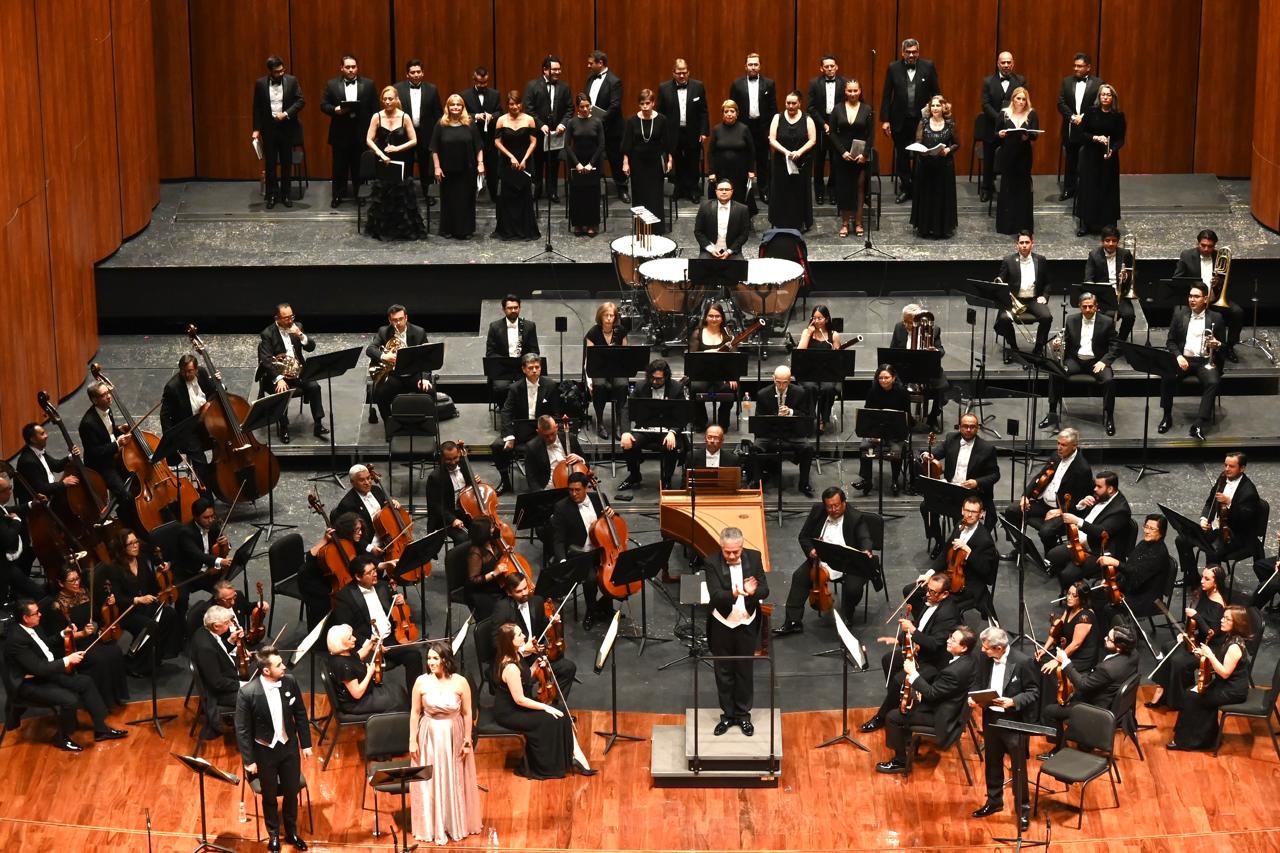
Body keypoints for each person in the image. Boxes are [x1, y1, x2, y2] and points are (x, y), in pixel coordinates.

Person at [4, 599, 128, 751]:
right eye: (36, 613)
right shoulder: (16, 640)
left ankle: (101, 729)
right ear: (25, 618)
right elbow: (38, 668)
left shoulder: (33, 626)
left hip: (44, 674)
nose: (40, 614)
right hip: (27, 684)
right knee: (70, 699)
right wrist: (68, 659)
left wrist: (63, 633)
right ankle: (61, 737)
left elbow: (45, 644)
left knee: (85, 682)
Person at [234, 645, 312, 851]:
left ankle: (292, 831)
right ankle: (274, 834)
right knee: (269, 795)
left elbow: (300, 714)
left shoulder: (290, 682)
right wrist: (249, 760)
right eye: (279, 665)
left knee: (291, 791)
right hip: (264, 752)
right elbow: (242, 729)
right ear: (266, 670)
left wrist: (306, 744)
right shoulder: (247, 693)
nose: (284, 666)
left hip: (288, 748)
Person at [862, 571, 961, 732]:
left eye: (932, 592)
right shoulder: (930, 601)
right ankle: (895, 700)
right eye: (928, 589)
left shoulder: (948, 614)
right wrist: (900, 640)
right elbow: (922, 624)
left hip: (934, 661)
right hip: (921, 651)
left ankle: (882, 717)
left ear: (945, 594)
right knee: (888, 659)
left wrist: (913, 631)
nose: (927, 594)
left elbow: (935, 644)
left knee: (898, 680)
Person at [773, 486, 876, 635]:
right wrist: (811, 550)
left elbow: (864, 537)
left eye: (836, 505)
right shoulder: (818, 510)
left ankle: (848, 616)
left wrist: (866, 549)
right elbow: (804, 536)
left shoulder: (855, 517)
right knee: (799, 577)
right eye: (829, 507)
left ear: (844, 503)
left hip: (849, 562)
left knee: (852, 588)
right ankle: (793, 621)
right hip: (822, 559)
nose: (833, 510)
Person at [875, 626, 977, 774]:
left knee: (892, 717)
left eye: (953, 640)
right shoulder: (971, 659)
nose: (948, 641)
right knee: (907, 701)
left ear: (964, 647)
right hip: (951, 706)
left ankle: (900, 761)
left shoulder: (954, 672)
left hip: (943, 717)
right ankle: (907, 741)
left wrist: (913, 673)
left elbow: (931, 693)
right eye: (950, 637)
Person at [409, 642, 482, 844]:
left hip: (453, 734)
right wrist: (412, 739)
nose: (431, 662)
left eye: (435, 658)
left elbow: (467, 713)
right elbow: (415, 712)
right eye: (429, 658)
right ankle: (431, 825)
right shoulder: (421, 682)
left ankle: (452, 822)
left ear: (445, 660)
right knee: (429, 780)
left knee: (453, 777)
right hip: (429, 735)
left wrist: (467, 739)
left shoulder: (460, 682)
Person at [491, 623, 584, 778]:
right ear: (510, 641)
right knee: (551, 718)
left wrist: (536, 665)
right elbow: (520, 700)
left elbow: (526, 676)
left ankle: (572, 757)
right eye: (519, 635)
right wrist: (545, 707)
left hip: (519, 705)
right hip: (510, 713)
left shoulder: (516, 654)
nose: (524, 636)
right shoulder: (510, 668)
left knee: (561, 711)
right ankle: (548, 766)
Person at [969, 626, 1039, 830]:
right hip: (991, 719)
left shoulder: (1023, 662)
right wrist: (973, 697)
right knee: (992, 762)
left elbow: (1034, 691)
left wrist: (1013, 701)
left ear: (998, 648)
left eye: (986, 648)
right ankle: (994, 801)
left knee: (1018, 768)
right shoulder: (984, 658)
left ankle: (1022, 810)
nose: (983, 651)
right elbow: (977, 682)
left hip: (1013, 722)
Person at [705, 527, 769, 736]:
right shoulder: (711, 561)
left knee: (744, 670)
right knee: (723, 671)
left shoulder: (754, 557)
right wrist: (737, 592)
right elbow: (715, 595)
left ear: (742, 546)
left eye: (736, 551)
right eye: (727, 552)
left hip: (746, 622)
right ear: (721, 547)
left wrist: (753, 592)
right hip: (722, 623)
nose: (732, 556)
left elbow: (765, 590)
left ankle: (743, 715)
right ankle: (727, 715)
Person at [1039, 623, 1138, 756]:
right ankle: (1085, 742)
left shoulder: (1108, 669)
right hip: (1111, 700)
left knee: (1049, 711)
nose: (1105, 638)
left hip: (1096, 708)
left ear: (1119, 647)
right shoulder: (1134, 654)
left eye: (1109, 639)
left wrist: (1065, 661)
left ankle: (1059, 750)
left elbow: (1083, 685)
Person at [1168, 605, 1254, 751]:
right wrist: (1203, 655)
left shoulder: (1234, 647)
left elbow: (1225, 673)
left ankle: (1191, 742)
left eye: (1227, 619)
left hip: (1232, 691)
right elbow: (1221, 664)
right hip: (1225, 685)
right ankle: (1203, 738)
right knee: (1190, 693)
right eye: (1223, 617)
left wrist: (1210, 655)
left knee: (1191, 697)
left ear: (1237, 624)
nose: (1222, 620)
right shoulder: (1229, 637)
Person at [42, 566, 130, 709]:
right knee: (101, 659)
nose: (77, 582)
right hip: (74, 645)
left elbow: (97, 615)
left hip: (91, 638)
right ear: (61, 583)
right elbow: (59, 636)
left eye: (77, 578)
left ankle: (115, 697)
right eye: (72, 580)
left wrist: (108, 605)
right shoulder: (56, 605)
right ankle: (101, 700)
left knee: (115, 651)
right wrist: (82, 633)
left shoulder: (85, 593)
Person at [1001, 428, 1093, 557]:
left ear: (1074, 446)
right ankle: (1022, 547)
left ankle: (1051, 559)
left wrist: (1059, 511)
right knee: (1011, 511)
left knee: (1046, 532)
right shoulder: (1056, 456)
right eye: (1058, 443)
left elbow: (1081, 502)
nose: (1059, 448)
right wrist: (1025, 496)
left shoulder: (1082, 469)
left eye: (1064, 445)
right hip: (1044, 504)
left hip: (1064, 510)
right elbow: (1040, 476)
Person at [332, 554, 423, 686]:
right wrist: (370, 644)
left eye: (375, 570)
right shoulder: (345, 597)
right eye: (370, 572)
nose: (375, 574)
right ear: (358, 577)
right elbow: (346, 629)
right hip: (367, 643)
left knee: (414, 655)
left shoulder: (382, 586)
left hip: (390, 638)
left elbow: (395, 606)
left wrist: (399, 600)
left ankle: (414, 698)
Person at [1173, 452, 1262, 586]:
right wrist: (1204, 518)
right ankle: (1191, 576)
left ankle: (1214, 587)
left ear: (1242, 468)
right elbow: (1210, 502)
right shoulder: (1222, 478)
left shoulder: (1249, 492)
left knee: (1212, 551)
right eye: (1225, 465)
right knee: (1182, 540)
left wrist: (1230, 503)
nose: (1227, 469)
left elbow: (1246, 521)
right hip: (1215, 528)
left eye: (1231, 466)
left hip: (1234, 535)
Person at [1149, 564, 1228, 710]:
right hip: (1196, 640)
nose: (1202, 581)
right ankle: (1163, 690)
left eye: (1207, 579)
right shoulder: (1204, 594)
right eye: (1202, 577)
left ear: (1216, 583)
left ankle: (1177, 701)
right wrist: (1185, 633)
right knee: (1167, 646)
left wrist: (1196, 616)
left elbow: (1211, 633)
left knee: (1178, 661)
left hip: (1209, 647)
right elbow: (1194, 624)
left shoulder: (1218, 606)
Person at [98, 528, 184, 662]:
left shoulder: (142, 559)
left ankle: (160, 652)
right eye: (130, 543)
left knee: (169, 613)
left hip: (146, 605)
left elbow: (151, 585)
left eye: (136, 542)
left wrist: (161, 580)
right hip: (128, 612)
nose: (135, 546)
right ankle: (138, 662)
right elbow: (118, 598)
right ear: (122, 547)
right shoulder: (115, 569)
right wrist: (137, 600)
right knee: (149, 625)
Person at [919, 413, 1002, 548]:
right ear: (959, 427)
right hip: (951, 488)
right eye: (965, 426)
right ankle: (939, 542)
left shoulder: (987, 449)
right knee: (926, 506)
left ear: (977, 428)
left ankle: (963, 545)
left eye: (972, 427)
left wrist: (976, 482)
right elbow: (936, 453)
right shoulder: (951, 438)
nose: (968, 430)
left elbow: (995, 475)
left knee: (962, 514)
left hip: (972, 492)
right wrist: (927, 455)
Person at [1041, 291, 1119, 435]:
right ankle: (1052, 413)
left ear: (1096, 306)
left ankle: (1109, 417)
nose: (1088, 309)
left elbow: (1115, 345)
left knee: (1109, 380)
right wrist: (1058, 344)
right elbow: (1066, 341)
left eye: (1091, 306)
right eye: (1084, 307)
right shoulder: (1071, 320)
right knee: (1055, 373)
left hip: (1096, 362)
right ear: (1079, 307)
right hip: (1075, 361)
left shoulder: (1107, 322)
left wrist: (1104, 362)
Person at [490, 573, 577, 694]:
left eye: (525, 588)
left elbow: (541, 625)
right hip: (516, 659)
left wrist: (551, 621)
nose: (524, 593)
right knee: (526, 684)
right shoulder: (502, 609)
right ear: (509, 593)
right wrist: (522, 649)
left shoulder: (537, 601)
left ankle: (554, 703)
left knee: (568, 668)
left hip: (535, 653)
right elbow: (496, 642)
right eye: (519, 591)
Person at [1158, 283, 1225, 440]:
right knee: (1167, 375)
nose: (1192, 299)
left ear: (1205, 299)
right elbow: (1170, 341)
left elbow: (1225, 346)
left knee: (1213, 382)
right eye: (1190, 296)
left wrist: (1218, 344)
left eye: (1196, 296)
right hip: (1184, 359)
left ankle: (1198, 424)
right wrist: (1178, 356)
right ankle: (1167, 416)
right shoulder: (1179, 314)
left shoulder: (1216, 318)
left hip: (1205, 361)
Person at [551, 472, 618, 629]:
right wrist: (563, 560)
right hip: (582, 553)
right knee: (591, 579)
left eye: (577, 490)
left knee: (617, 573)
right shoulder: (561, 507)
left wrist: (613, 514)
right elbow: (558, 539)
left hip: (603, 551)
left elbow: (612, 523)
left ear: (586, 487)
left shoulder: (599, 498)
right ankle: (591, 611)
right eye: (570, 490)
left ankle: (606, 605)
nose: (573, 494)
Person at [1047, 472, 1133, 589]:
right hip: (1080, 542)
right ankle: (1067, 580)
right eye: (1095, 485)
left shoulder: (1121, 510)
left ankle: (1075, 594)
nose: (1094, 489)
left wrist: (1077, 521)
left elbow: (1101, 532)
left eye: (1099, 486)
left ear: (1110, 489)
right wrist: (1081, 505)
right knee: (1052, 555)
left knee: (1067, 574)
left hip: (1098, 551)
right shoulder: (1102, 496)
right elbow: (1089, 517)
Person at [881, 39, 941, 203]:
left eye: (914, 52)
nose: (911, 55)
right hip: (899, 119)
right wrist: (885, 120)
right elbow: (886, 95)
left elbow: (936, 93)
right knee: (902, 155)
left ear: (918, 52)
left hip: (922, 121)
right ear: (902, 53)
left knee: (921, 154)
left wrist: (938, 114)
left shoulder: (928, 66)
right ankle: (906, 188)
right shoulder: (893, 68)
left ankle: (917, 187)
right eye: (908, 52)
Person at [255, 302, 326, 443]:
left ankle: (318, 424)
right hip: (278, 375)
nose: (290, 320)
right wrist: (279, 378)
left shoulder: (297, 327)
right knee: (283, 392)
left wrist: (300, 335)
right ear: (277, 318)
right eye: (286, 318)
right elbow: (266, 360)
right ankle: (284, 427)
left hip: (298, 372)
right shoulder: (267, 334)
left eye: (292, 316)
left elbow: (311, 347)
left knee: (314, 387)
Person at [918, 496, 999, 619]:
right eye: (967, 510)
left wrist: (969, 553)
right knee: (910, 591)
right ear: (962, 510)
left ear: (981, 514)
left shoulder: (985, 540)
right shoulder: (960, 525)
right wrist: (929, 574)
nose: (969, 515)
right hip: (951, 576)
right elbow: (945, 553)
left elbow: (988, 575)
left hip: (968, 585)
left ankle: (940, 624)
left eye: (974, 512)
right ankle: (923, 624)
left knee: (939, 605)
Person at [365, 86, 427, 241]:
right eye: (384, 99)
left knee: (402, 193)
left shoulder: (404, 117)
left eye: (390, 99)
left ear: (396, 99)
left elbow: (414, 140)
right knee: (384, 193)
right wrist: (380, 153)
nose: (387, 102)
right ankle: (385, 229)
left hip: (402, 159)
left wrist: (397, 148)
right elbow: (369, 139)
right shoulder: (377, 117)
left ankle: (403, 229)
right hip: (383, 160)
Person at [1174, 229, 1244, 362]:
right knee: (1179, 313)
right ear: (1197, 243)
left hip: (1214, 300)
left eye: (1210, 246)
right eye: (1203, 245)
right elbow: (1178, 279)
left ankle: (1228, 347)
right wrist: (1195, 289)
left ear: (1215, 245)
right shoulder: (1186, 256)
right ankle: (1181, 347)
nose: (1206, 249)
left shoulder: (1219, 256)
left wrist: (1219, 283)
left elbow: (1229, 281)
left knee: (1237, 312)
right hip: (1195, 301)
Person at [493, 353, 560, 494]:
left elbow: (556, 413)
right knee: (497, 445)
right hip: (521, 430)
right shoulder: (515, 388)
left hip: (542, 431)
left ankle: (542, 482)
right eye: (530, 368)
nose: (534, 370)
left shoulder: (551, 385)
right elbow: (506, 412)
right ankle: (505, 481)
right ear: (524, 369)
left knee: (538, 445)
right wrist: (509, 436)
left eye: (537, 367)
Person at [619, 358, 686, 491]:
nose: (654, 381)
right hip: (646, 429)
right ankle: (634, 475)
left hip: (667, 430)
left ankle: (667, 479)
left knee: (671, 445)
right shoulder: (640, 386)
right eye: (652, 378)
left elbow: (682, 414)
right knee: (628, 444)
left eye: (659, 379)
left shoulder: (676, 388)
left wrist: (673, 432)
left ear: (666, 377)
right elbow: (626, 409)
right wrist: (626, 432)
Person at [320, 54, 377, 208]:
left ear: (357, 68)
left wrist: (374, 132)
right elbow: (323, 105)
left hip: (361, 132)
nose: (351, 70)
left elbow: (375, 109)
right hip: (340, 133)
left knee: (359, 167)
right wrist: (335, 109)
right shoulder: (332, 84)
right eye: (348, 67)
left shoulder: (369, 84)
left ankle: (360, 195)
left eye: (353, 67)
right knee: (339, 167)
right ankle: (337, 195)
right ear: (342, 68)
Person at [1036, 581, 1101, 715]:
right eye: (1068, 594)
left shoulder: (1085, 616)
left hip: (1082, 657)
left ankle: (1048, 708)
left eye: (1074, 596)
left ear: (1082, 598)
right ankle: (1038, 697)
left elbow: (1076, 644)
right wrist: (1044, 648)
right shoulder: (1069, 609)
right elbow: (1057, 630)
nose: (1069, 598)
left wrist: (1057, 660)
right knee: (1039, 659)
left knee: (1050, 670)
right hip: (1068, 651)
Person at [752, 365, 815, 497]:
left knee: (808, 448)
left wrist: (790, 412)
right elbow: (759, 419)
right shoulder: (763, 394)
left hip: (793, 433)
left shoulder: (800, 393)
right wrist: (776, 415)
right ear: (773, 379)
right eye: (778, 382)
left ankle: (804, 484)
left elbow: (806, 416)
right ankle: (757, 481)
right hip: (770, 433)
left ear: (790, 380)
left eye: (785, 382)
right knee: (756, 447)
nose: (781, 386)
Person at [252, 55, 304, 209]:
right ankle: (272, 195)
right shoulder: (260, 83)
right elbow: (257, 107)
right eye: (277, 72)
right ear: (270, 71)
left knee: (287, 162)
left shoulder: (292, 81)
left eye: (282, 70)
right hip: (269, 129)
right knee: (270, 163)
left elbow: (300, 101)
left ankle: (286, 194)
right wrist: (256, 129)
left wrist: (286, 113)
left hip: (286, 127)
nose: (281, 73)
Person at [365, 304, 432, 424]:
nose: (398, 323)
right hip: (394, 375)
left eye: (401, 319)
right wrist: (384, 356)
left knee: (429, 390)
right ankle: (390, 425)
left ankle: (425, 424)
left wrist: (425, 378)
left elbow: (426, 358)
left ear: (406, 318)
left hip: (414, 374)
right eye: (395, 320)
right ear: (390, 320)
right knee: (379, 393)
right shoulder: (383, 331)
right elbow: (370, 349)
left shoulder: (419, 332)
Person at [158, 354, 221, 483]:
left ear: (196, 370)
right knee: (200, 462)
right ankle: (205, 491)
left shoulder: (202, 373)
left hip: (206, 421)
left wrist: (217, 385)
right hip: (188, 429)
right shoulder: (172, 387)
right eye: (183, 371)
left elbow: (212, 392)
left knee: (222, 442)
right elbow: (164, 416)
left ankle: (219, 477)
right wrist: (171, 439)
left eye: (190, 371)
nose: (186, 374)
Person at [430, 93, 484, 240]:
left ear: (462, 107)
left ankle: (465, 230)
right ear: (447, 107)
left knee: (466, 200)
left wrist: (480, 163)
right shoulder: (441, 124)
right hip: (447, 171)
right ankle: (447, 229)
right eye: (452, 104)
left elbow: (478, 146)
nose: (455, 107)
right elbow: (434, 148)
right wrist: (437, 167)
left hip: (467, 170)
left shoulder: (470, 123)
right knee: (449, 200)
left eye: (458, 104)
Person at [1099, 514, 1173, 620]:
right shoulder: (1143, 544)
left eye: (1152, 529)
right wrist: (1111, 581)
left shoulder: (1159, 553)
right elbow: (1129, 566)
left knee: (1109, 608)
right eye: (1146, 527)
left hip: (1147, 599)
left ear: (1161, 532)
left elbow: (1136, 573)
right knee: (1100, 594)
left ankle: (1117, 629)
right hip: (1135, 588)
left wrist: (1116, 563)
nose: (1147, 531)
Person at [853, 364, 911, 497]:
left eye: (887, 377)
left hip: (895, 433)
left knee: (896, 450)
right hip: (875, 431)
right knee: (865, 446)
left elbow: (907, 417)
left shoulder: (902, 393)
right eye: (880, 378)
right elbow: (867, 414)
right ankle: (866, 480)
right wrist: (873, 435)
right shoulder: (873, 391)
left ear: (894, 378)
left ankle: (895, 481)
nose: (883, 380)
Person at [889, 303, 949, 432]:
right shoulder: (899, 327)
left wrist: (934, 351)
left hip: (926, 368)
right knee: (894, 384)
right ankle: (907, 417)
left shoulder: (934, 329)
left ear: (918, 321)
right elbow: (892, 350)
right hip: (905, 368)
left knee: (942, 386)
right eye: (904, 321)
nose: (906, 325)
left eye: (909, 322)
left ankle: (933, 418)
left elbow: (941, 350)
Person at [1074, 83, 1124, 236]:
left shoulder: (1118, 116)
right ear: (1099, 96)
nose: (1105, 97)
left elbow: (1120, 139)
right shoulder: (1090, 112)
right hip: (1091, 155)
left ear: (1113, 98)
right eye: (1103, 94)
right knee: (1089, 188)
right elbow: (1081, 134)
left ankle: (1108, 224)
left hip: (1108, 157)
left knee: (1107, 188)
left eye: (1108, 95)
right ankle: (1085, 224)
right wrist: (1095, 137)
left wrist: (1112, 150)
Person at [325, 623, 407, 714]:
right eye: (349, 638)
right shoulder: (342, 666)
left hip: (366, 692)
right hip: (356, 703)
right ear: (341, 644)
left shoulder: (344, 653)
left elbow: (357, 657)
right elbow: (357, 694)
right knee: (397, 702)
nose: (354, 638)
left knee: (398, 690)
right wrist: (369, 673)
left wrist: (370, 644)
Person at [621, 89, 673, 234]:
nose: (645, 106)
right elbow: (627, 144)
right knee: (639, 195)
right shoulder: (632, 120)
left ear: (653, 103)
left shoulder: (661, 119)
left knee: (655, 195)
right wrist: (625, 162)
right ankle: (641, 228)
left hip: (655, 163)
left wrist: (669, 160)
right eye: (642, 103)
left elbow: (667, 142)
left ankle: (656, 229)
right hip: (637, 163)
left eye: (647, 103)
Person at [657, 59, 709, 203]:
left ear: (688, 72)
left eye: (684, 72)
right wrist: (661, 133)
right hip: (672, 132)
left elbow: (703, 111)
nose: (681, 75)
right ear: (673, 73)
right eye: (679, 73)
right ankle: (678, 189)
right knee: (676, 161)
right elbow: (660, 113)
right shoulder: (664, 88)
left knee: (693, 161)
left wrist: (703, 131)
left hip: (693, 131)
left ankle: (693, 190)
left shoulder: (698, 86)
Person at [190, 604, 246, 736]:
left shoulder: (203, 631)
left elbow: (218, 653)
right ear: (216, 626)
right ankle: (248, 732)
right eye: (227, 623)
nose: (230, 625)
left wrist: (231, 641)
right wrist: (241, 685)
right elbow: (217, 683)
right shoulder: (206, 648)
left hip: (221, 680)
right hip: (218, 694)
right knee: (256, 696)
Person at [729, 53, 777, 205]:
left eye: (756, 64)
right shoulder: (737, 84)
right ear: (745, 66)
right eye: (750, 64)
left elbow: (773, 108)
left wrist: (772, 129)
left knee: (763, 161)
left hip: (762, 128)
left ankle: (764, 191)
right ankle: (742, 191)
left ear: (760, 66)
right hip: (743, 127)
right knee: (742, 159)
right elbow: (732, 107)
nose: (753, 67)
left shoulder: (769, 84)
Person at [994, 230, 1053, 356]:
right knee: (1004, 318)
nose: (1024, 245)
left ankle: (1038, 348)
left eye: (1027, 242)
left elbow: (1048, 283)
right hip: (1015, 300)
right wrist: (999, 284)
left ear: (1032, 244)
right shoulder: (1008, 260)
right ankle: (1014, 348)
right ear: (1017, 245)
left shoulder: (1040, 260)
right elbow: (1001, 280)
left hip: (1033, 299)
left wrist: (1044, 296)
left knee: (1047, 317)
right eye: (1021, 243)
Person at [393, 59, 443, 203]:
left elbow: (438, 114)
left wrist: (437, 134)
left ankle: (428, 194)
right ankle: (407, 195)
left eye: (418, 72)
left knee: (425, 165)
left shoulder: (432, 89)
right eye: (412, 72)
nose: (416, 75)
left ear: (422, 73)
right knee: (406, 163)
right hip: (404, 134)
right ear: (407, 74)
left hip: (425, 134)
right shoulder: (397, 89)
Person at [492, 91, 540, 241]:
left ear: (521, 104)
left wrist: (524, 158)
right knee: (507, 196)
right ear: (508, 105)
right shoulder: (501, 120)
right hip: (507, 161)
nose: (515, 107)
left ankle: (525, 230)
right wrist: (510, 156)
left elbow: (533, 142)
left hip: (525, 160)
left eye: (517, 104)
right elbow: (497, 142)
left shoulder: (529, 119)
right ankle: (508, 230)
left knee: (524, 195)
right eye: (512, 104)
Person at [828, 79, 873, 238]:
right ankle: (845, 223)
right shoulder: (837, 108)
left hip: (860, 157)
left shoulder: (867, 109)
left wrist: (864, 155)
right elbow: (832, 133)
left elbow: (870, 135)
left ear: (860, 91)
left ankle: (859, 222)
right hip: (843, 156)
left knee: (859, 188)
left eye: (855, 90)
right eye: (850, 91)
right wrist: (842, 152)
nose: (852, 94)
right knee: (844, 189)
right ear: (845, 92)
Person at [909, 95, 959, 239]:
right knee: (926, 195)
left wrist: (948, 150)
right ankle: (925, 227)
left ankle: (942, 228)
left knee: (942, 195)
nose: (935, 108)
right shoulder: (923, 122)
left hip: (944, 166)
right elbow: (918, 141)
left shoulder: (950, 124)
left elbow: (957, 144)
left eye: (938, 105)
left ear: (944, 107)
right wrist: (921, 150)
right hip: (926, 164)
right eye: (933, 105)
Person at [523, 55, 572, 202]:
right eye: (554, 69)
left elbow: (570, 109)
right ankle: (537, 190)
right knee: (537, 163)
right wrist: (541, 124)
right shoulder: (532, 85)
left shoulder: (565, 87)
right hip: (538, 133)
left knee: (553, 164)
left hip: (556, 134)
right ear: (545, 70)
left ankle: (552, 192)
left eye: (559, 69)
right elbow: (529, 109)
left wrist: (563, 124)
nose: (558, 72)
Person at [979, 51, 1026, 202]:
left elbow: (1024, 103)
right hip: (992, 128)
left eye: (1008, 62)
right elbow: (985, 105)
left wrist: (1009, 120)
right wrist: (1001, 119)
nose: (1006, 65)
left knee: (1013, 158)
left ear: (1013, 63)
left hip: (1013, 128)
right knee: (989, 160)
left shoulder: (1020, 80)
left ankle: (1011, 187)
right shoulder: (988, 81)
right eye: (1003, 62)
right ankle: (986, 188)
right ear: (998, 64)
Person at [767, 91, 817, 231]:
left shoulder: (807, 119)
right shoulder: (777, 117)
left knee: (798, 192)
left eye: (793, 103)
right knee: (781, 191)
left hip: (801, 162)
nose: (790, 106)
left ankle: (799, 223)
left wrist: (799, 152)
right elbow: (772, 139)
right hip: (781, 161)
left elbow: (812, 140)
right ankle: (780, 222)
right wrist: (786, 152)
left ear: (799, 103)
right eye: (788, 103)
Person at [1056, 53, 1103, 202]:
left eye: (1080, 66)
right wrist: (1072, 116)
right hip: (1071, 126)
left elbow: (1098, 103)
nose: (1076, 68)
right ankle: (1069, 189)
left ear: (1088, 67)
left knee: (1088, 159)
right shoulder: (1066, 81)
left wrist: (1083, 116)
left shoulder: (1098, 83)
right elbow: (1061, 103)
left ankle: (1087, 189)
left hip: (1088, 127)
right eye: (1075, 65)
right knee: (1070, 159)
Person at [685, 303, 739, 431]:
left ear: (722, 317)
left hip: (723, 375)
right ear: (705, 317)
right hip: (702, 374)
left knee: (730, 388)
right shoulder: (697, 333)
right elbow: (692, 358)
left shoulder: (728, 334)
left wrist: (732, 376)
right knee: (695, 387)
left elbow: (734, 359)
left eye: (717, 316)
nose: (714, 319)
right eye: (711, 316)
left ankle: (723, 422)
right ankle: (700, 421)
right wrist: (706, 353)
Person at [76, 380, 131, 504]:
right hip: (101, 465)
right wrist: (117, 444)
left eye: (108, 393)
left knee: (136, 473)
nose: (109, 397)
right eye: (103, 395)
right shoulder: (87, 424)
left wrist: (119, 429)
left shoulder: (107, 409)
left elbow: (107, 432)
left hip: (113, 454)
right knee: (125, 495)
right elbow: (94, 452)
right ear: (94, 400)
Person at [994, 86, 1038, 235]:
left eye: (1023, 99)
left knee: (1023, 188)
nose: (1021, 101)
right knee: (1008, 187)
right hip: (1007, 154)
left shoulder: (1032, 114)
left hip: (1024, 156)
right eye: (1018, 98)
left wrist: (1028, 136)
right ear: (1013, 99)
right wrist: (1000, 134)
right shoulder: (1004, 114)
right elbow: (996, 133)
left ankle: (1023, 225)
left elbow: (1035, 135)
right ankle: (1007, 225)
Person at [444, 519, 508, 621]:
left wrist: (506, 552)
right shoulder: (475, 553)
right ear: (484, 532)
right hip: (481, 590)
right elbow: (473, 580)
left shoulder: (493, 542)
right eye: (491, 527)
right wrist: (495, 573)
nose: (494, 528)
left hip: (494, 583)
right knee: (500, 613)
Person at [583, 301, 629, 438]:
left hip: (617, 369)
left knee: (622, 385)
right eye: (606, 315)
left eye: (612, 315)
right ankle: (600, 422)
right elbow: (588, 360)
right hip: (599, 370)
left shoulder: (621, 331)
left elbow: (627, 355)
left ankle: (620, 423)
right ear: (600, 316)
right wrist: (588, 381)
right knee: (600, 385)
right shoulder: (593, 333)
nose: (609, 318)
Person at [1084, 226, 1137, 342]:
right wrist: (1093, 297)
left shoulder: (1125, 254)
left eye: (1114, 241)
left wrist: (1125, 277)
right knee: (1108, 316)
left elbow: (1132, 274)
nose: (1111, 244)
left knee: (1130, 316)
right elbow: (1088, 278)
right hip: (1103, 296)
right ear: (1102, 241)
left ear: (1118, 241)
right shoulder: (1094, 255)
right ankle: (1106, 339)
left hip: (1120, 294)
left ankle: (1120, 341)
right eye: (1107, 241)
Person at [585, 50, 626, 202]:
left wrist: (599, 120)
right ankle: (593, 188)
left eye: (591, 63)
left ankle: (622, 188)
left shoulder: (614, 81)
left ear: (600, 63)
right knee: (592, 157)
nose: (588, 66)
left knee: (616, 159)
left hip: (611, 128)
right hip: (592, 128)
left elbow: (615, 106)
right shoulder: (590, 79)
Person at [794, 304, 842, 430]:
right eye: (814, 318)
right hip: (808, 373)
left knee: (828, 388)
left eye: (819, 318)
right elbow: (799, 354)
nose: (816, 321)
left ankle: (823, 419)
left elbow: (838, 359)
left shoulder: (834, 335)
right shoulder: (806, 332)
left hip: (827, 374)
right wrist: (808, 333)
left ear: (826, 319)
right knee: (809, 387)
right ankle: (809, 418)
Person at [806, 55, 846, 205]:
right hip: (820, 127)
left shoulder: (844, 83)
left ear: (836, 67)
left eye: (832, 66)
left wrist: (835, 124)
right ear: (821, 68)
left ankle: (833, 191)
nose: (830, 69)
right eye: (826, 67)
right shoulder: (814, 83)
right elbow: (811, 107)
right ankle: (819, 192)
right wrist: (823, 124)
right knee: (819, 161)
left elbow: (846, 105)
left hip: (838, 127)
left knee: (836, 161)